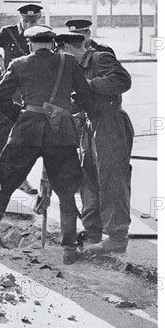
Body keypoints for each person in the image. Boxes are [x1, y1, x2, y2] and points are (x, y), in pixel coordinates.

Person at [0, 26, 94, 265]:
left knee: (6, 185)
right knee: (66, 192)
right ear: (51, 44)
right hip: (60, 132)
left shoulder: (19, 64)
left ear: (30, 44)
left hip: (25, 132)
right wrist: (65, 110)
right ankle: (69, 249)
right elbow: (86, 97)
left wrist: (20, 115)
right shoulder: (68, 62)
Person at [55, 32, 134, 254]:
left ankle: (117, 237)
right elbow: (80, 100)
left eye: (61, 52)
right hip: (90, 125)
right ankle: (93, 230)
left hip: (110, 123)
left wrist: (88, 84)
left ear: (68, 48)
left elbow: (122, 81)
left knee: (111, 178)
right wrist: (62, 111)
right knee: (88, 177)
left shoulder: (101, 58)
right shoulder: (77, 67)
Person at [0, 3, 43, 199]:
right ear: (20, 18)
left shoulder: (43, 34)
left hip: (32, 93)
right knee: (3, 137)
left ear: (39, 19)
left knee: (26, 138)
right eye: (27, 20)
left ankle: (21, 179)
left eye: (34, 20)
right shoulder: (8, 33)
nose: (30, 24)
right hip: (9, 92)